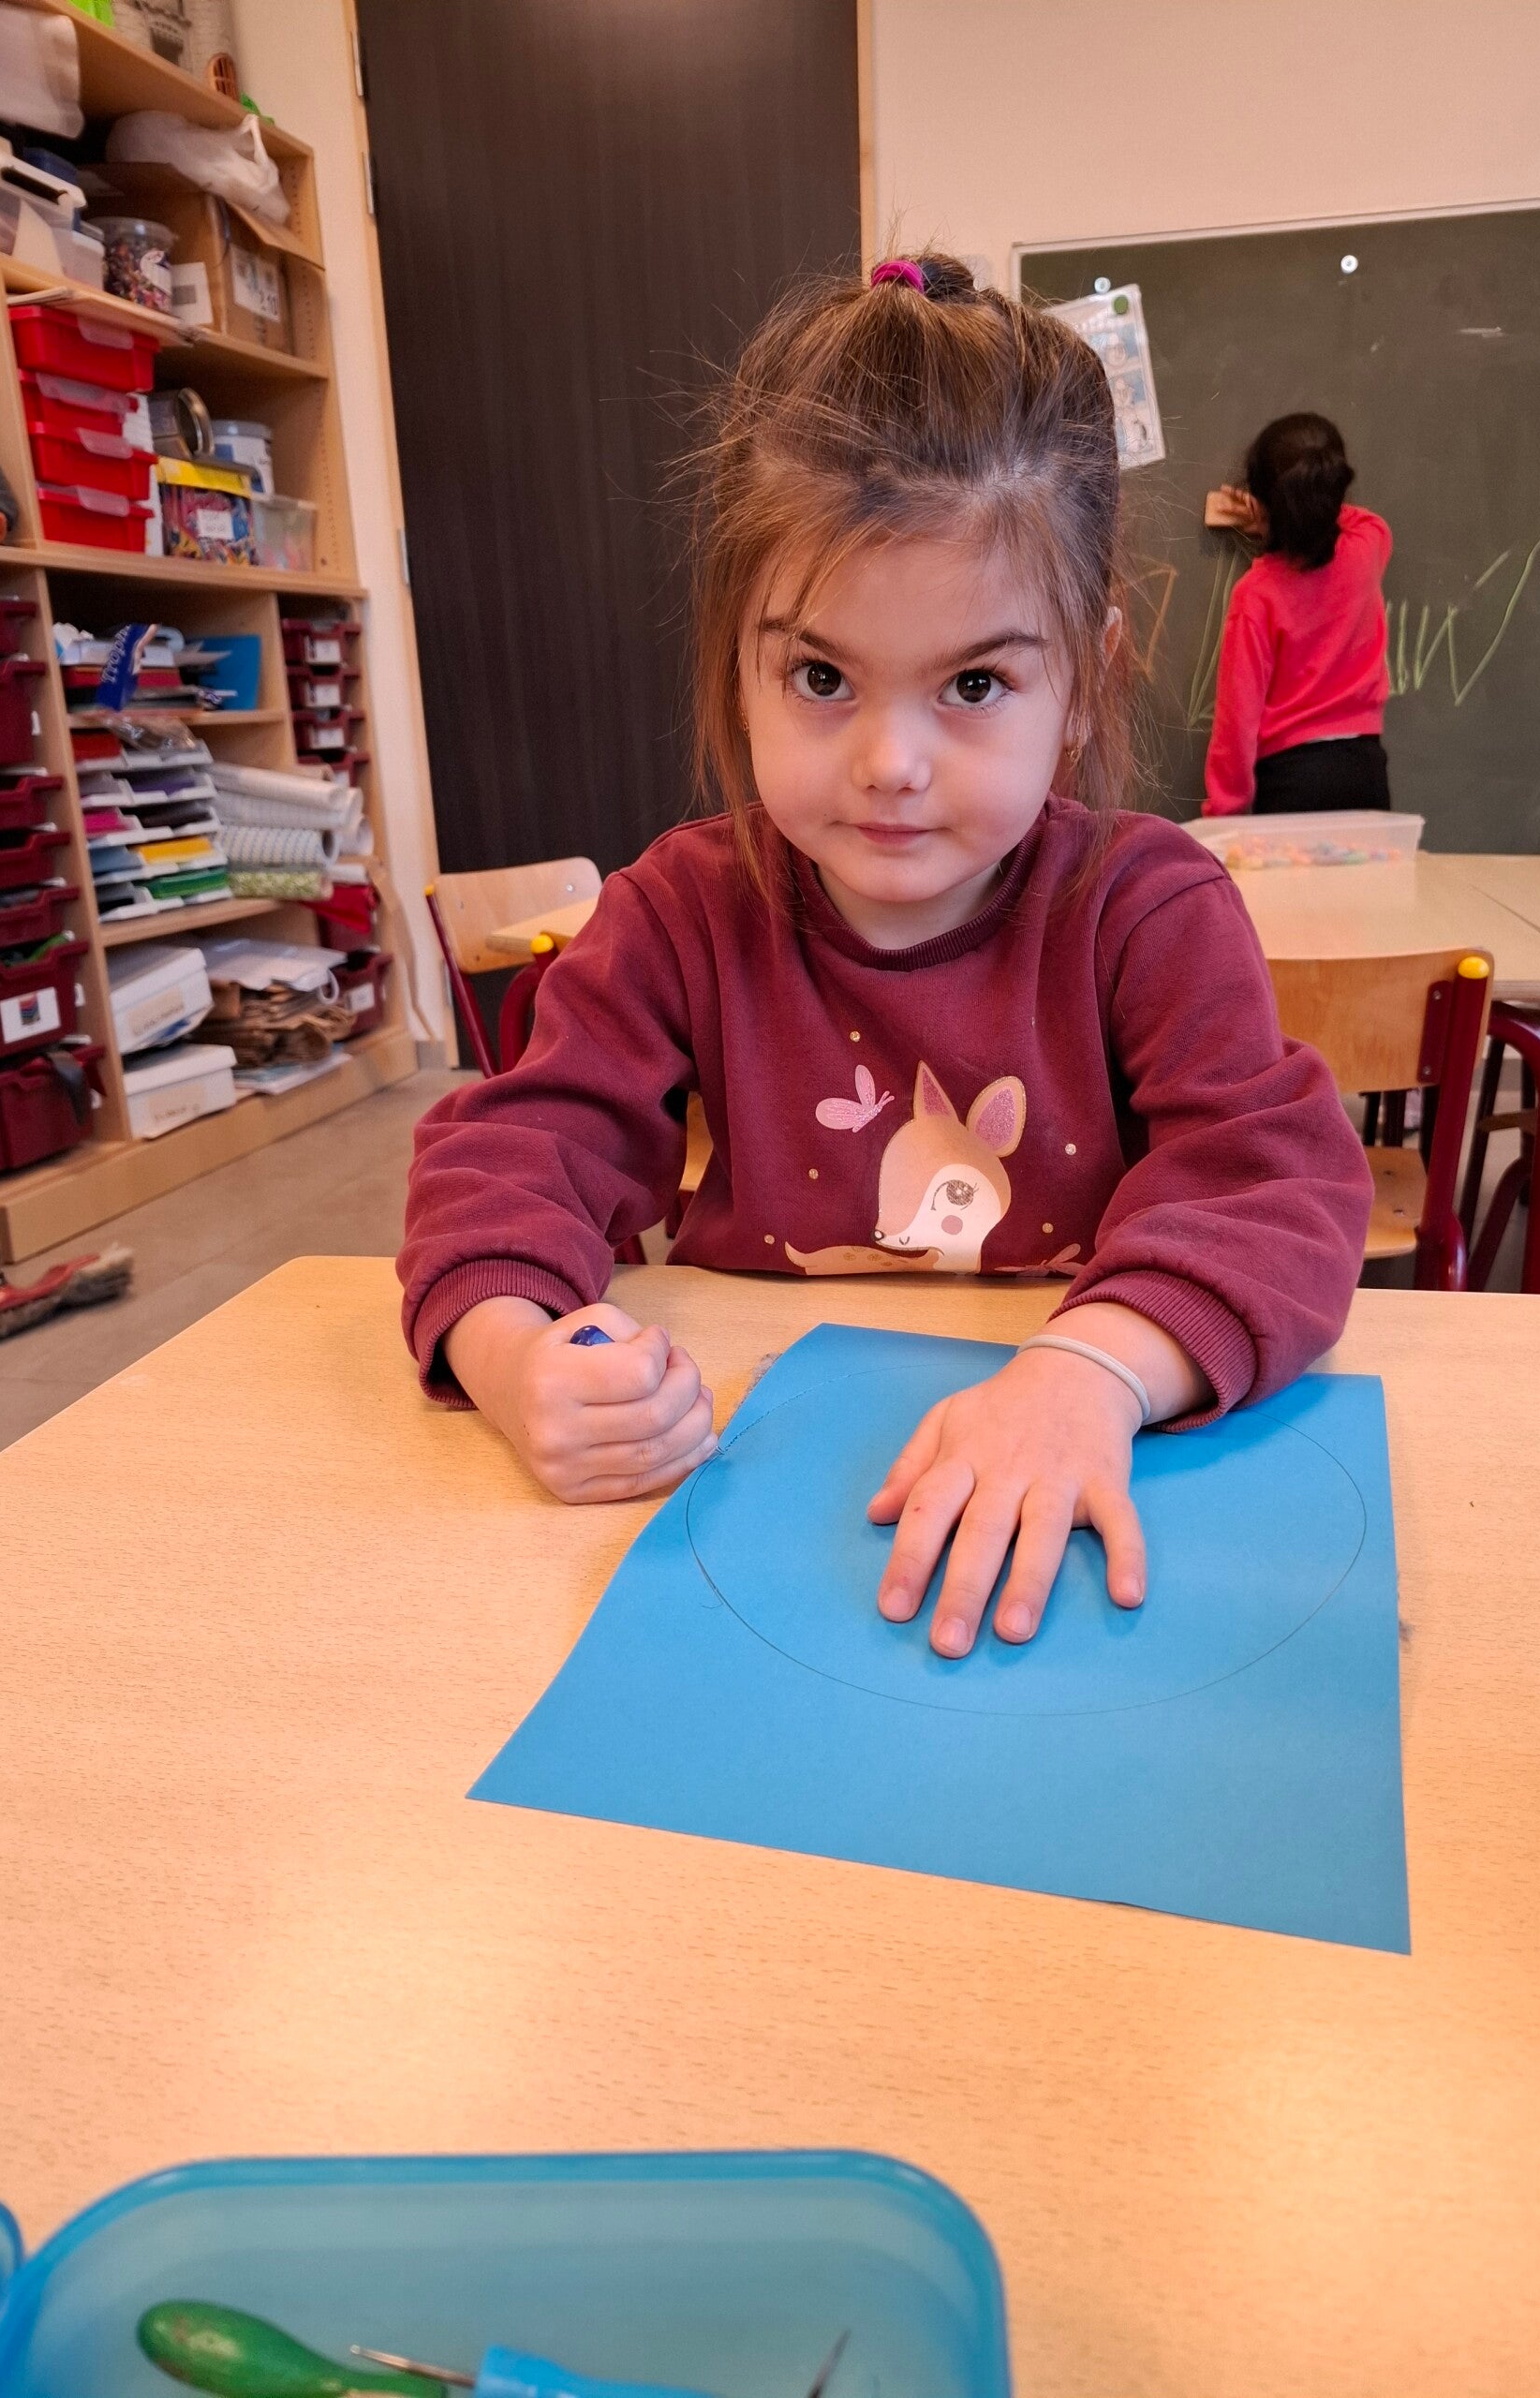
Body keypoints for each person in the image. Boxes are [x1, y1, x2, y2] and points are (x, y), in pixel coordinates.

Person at [399, 256, 1372, 1659]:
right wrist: (511, 1356)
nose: (890, 763)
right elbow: (512, 1154)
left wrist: (1091, 1371)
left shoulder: (1149, 910)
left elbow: (1275, 1188)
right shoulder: (680, 911)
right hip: (754, 1521)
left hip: (1087, 1489)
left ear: (1086, 678)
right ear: (738, 664)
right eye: (820, 677)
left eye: (974, 683)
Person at [1202, 413, 1393, 816]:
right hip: (1365, 774)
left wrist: (1224, 813)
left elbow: (1237, 723)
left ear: (1261, 502)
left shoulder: (1256, 596)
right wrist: (1286, 515)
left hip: (1290, 783)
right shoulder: (1368, 548)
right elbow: (1362, 519)